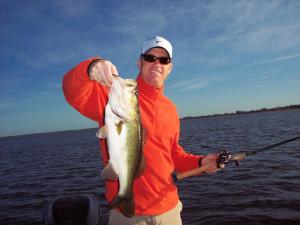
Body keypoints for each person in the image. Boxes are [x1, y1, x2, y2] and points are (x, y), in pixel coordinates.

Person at [63, 36, 221, 225]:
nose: (157, 63)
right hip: (129, 216)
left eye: (164, 60)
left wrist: (201, 161)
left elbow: (173, 154)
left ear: (169, 68)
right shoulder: (113, 95)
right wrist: (91, 67)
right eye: (150, 58)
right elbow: (72, 90)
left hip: (170, 209)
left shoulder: (170, 109)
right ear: (140, 62)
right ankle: (124, 195)